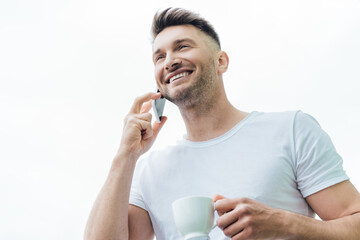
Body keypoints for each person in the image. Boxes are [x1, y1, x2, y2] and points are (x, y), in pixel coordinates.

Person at [84, 7, 360, 240]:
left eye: (182, 46)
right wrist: (125, 155)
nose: (169, 61)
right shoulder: (148, 171)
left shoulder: (291, 130)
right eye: (159, 57)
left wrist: (282, 222)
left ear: (221, 61)